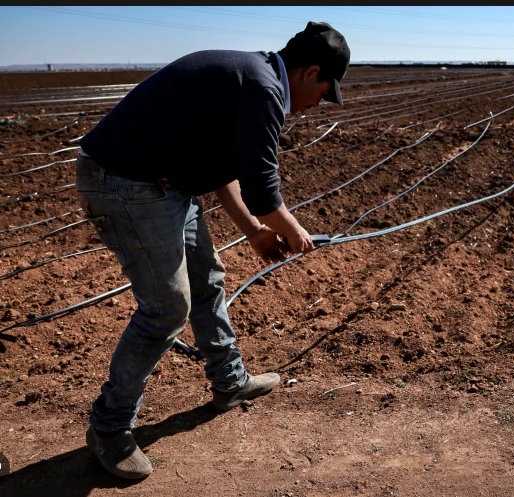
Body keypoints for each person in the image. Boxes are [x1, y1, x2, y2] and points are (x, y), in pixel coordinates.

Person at [74, 21, 350, 480]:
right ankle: (109, 427)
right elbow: (263, 189)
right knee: (167, 308)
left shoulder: (246, 77)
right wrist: (296, 232)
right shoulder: (263, 88)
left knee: (207, 280)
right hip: (125, 183)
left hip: (162, 186)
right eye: (324, 91)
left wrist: (255, 231)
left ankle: (230, 383)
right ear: (310, 72)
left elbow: (224, 169)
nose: (318, 103)